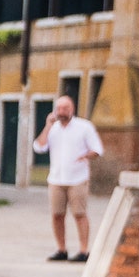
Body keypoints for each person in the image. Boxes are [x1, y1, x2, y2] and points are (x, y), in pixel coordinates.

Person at [34, 94, 101, 262]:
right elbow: (39, 147)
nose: (62, 112)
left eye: (65, 108)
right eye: (59, 108)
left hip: (77, 178)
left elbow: (97, 150)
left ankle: (84, 250)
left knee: (79, 213)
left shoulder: (84, 127)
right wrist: (48, 126)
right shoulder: (53, 129)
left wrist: (85, 156)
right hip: (56, 178)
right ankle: (61, 249)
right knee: (57, 215)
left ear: (72, 109)